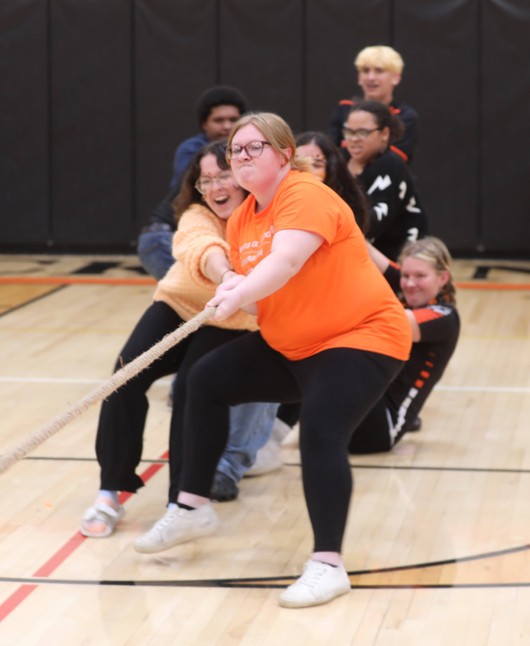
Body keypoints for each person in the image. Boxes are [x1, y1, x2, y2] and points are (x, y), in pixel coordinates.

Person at [132, 112, 412, 610]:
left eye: (253, 148)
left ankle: (328, 565)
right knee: (206, 379)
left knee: (323, 431)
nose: (240, 157)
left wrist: (237, 291)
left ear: (284, 155)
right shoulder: (242, 219)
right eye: (235, 150)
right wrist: (233, 288)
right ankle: (193, 504)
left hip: (361, 337)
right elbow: (264, 300)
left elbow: (284, 264)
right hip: (295, 345)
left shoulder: (304, 194)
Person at [80, 141, 278, 538]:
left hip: (230, 319)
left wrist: (236, 289)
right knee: (124, 375)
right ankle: (109, 491)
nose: (214, 186)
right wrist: (227, 276)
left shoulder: (268, 217)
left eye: (223, 175)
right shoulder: (195, 213)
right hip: (180, 304)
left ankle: (181, 502)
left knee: (192, 389)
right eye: (205, 180)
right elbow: (202, 249)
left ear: (245, 175)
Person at [246, 130, 373, 475]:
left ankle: (277, 434)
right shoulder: (268, 205)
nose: (309, 167)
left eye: (319, 161)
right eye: (303, 160)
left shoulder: (336, 205)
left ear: (332, 167)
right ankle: (255, 441)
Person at [350, 237, 460, 452]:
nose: (410, 283)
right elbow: (363, 246)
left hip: (382, 428)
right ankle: (275, 435)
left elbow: (384, 324)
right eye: (406, 275)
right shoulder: (405, 288)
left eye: (420, 276)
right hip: (366, 409)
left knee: (322, 357)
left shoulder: (445, 318)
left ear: (442, 278)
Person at [137, 85, 249, 280]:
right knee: (190, 297)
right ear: (204, 124)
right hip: (164, 236)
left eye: (233, 120)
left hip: (186, 236)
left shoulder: (241, 151)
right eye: (218, 120)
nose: (227, 126)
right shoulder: (194, 151)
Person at [344, 100, 428, 261]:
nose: (354, 139)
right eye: (349, 132)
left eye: (363, 132)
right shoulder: (340, 158)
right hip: (361, 255)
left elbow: (371, 225)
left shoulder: (391, 166)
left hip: (401, 258)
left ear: (384, 134)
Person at [329, 45, 418, 163]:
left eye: (379, 71)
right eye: (365, 71)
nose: (371, 77)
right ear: (359, 77)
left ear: (396, 78)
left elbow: (395, 159)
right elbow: (331, 152)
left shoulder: (405, 115)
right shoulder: (344, 108)